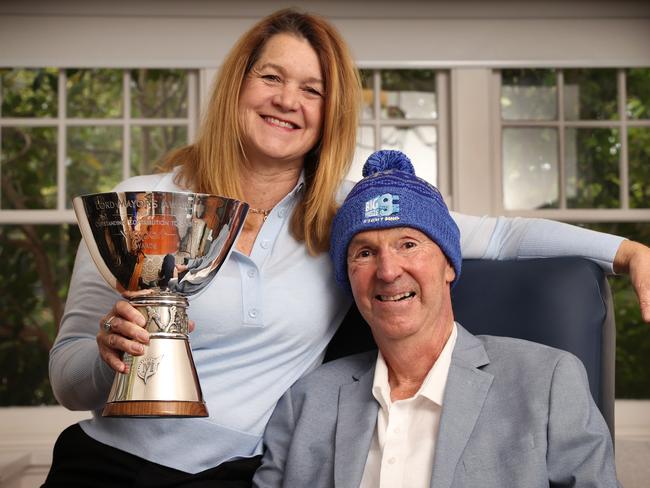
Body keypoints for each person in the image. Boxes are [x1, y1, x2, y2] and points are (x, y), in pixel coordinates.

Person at [45, 7, 646, 487]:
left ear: (329, 113)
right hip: (107, 463)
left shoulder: (345, 216)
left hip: (241, 473)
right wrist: (108, 356)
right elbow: (68, 381)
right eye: (272, 77)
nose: (288, 101)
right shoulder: (138, 205)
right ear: (237, 86)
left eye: (313, 89)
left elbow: (503, 234)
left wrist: (626, 251)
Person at [252, 150, 619, 487]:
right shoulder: (305, 401)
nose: (388, 271)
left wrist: (627, 252)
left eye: (408, 244)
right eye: (364, 253)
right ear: (348, 277)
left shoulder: (546, 382)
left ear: (448, 264)